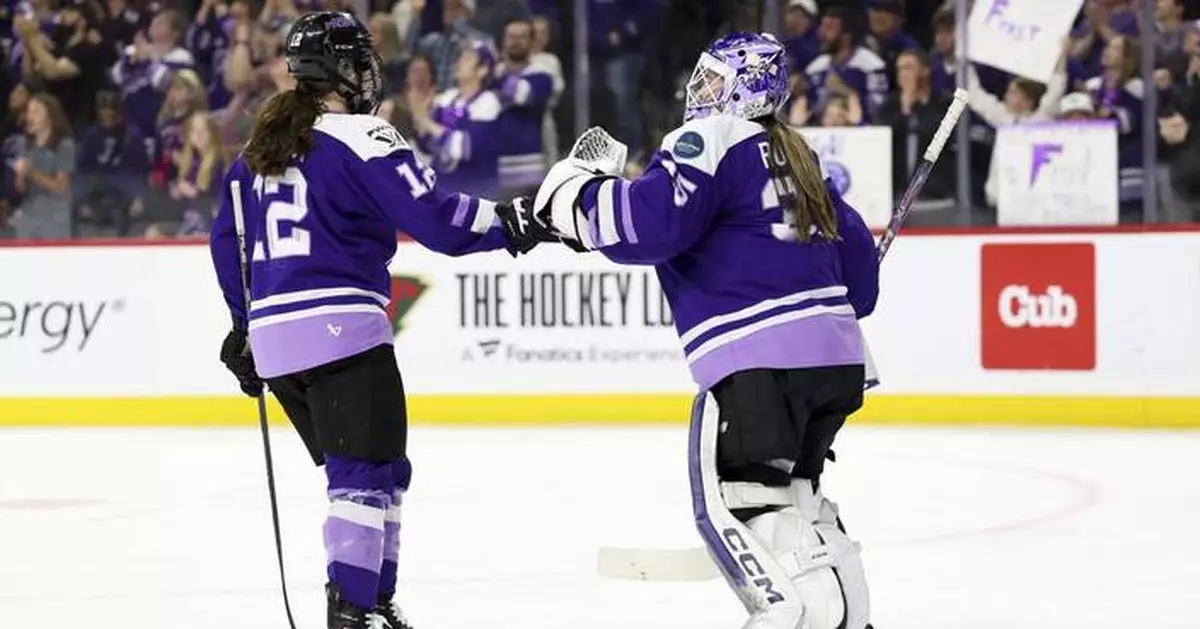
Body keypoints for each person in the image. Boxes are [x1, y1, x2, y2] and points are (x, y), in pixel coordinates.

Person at [524, 31, 877, 629]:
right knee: (802, 505)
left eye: (715, 79)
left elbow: (651, 225)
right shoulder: (800, 155)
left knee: (751, 509)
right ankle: (851, 619)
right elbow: (862, 289)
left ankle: (789, 616)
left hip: (759, 364)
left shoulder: (709, 137)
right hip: (836, 364)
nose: (702, 90)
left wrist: (574, 197)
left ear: (745, 87)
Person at [208, 12, 536, 629]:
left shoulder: (252, 156)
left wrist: (243, 326)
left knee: (378, 467)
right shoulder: (364, 135)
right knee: (363, 474)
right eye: (360, 62)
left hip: (279, 347)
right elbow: (437, 219)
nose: (369, 75)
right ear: (339, 71)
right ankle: (354, 611)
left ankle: (373, 606)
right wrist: (516, 223)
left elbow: (229, 244)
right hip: (342, 332)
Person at [412, 39, 503, 198]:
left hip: (478, 191)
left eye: (467, 59)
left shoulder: (489, 102)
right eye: (460, 58)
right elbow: (427, 146)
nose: (459, 62)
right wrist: (420, 122)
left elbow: (467, 148)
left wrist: (426, 122)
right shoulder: (445, 98)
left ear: (483, 69)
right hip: (444, 189)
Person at [10, 92, 76, 240]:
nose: (30, 117)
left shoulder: (64, 145)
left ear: (50, 117)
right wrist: (20, 175)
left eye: (36, 112)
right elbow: (20, 189)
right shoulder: (25, 146)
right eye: (29, 111)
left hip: (55, 216)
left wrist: (32, 172)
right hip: (29, 213)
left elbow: (61, 185)